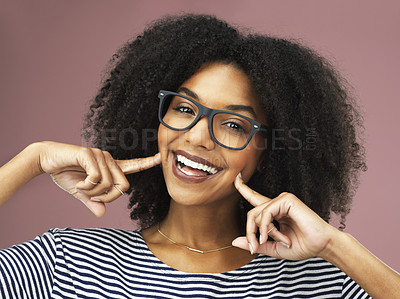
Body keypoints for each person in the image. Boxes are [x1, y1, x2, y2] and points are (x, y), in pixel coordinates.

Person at [0, 14, 399, 298]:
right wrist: (31, 161)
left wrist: (333, 245)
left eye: (233, 125)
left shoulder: (322, 282)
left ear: (270, 153)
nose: (196, 136)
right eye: (185, 109)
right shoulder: (63, 264)